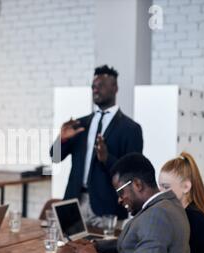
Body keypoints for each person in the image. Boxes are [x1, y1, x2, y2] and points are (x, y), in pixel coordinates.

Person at [67, 153, 190, 253]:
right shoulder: (170, 204)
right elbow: (138, 241)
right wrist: (95, 246)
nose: (119, 200)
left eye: (120, 192)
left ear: (137, 185)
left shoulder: (155, 217)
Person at [50, 65, 143, 226]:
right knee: (66, 251)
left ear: (115, 88)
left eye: (101, 85)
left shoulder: (130, 129)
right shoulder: (80, 124)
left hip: (108, 208)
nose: (95, 90)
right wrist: (62, 139)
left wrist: (107, 159)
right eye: (93, 86)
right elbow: (55, 157)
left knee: (104, 251)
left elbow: (132, 174)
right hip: (73, 203)